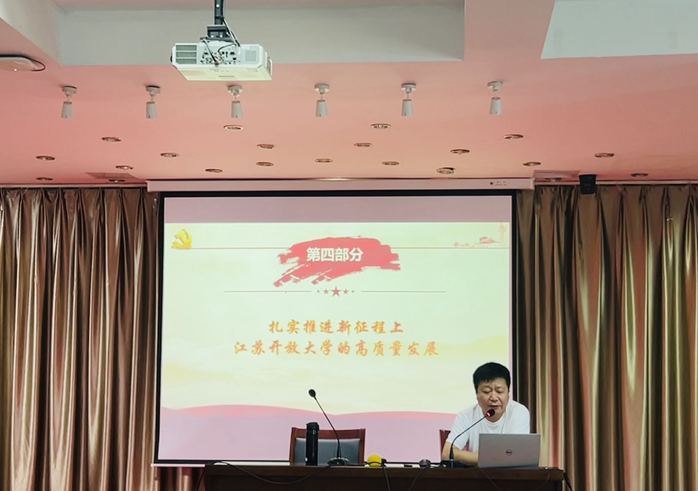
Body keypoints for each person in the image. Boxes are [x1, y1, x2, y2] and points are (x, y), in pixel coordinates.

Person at [441, 362, 530, 465]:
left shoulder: (518, 412)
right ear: (477, 394)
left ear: (508, 393)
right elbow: (447, 453)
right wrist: (494, 458)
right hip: (477, 474)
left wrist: (479, 458)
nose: (494, 398)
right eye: (487, 391)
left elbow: (516, 455)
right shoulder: (466, 415)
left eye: (499, 391)